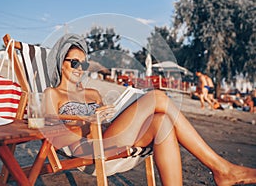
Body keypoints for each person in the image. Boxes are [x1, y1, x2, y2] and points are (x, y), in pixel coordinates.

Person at [45, 33, 256, 185]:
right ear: (60, 63)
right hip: (86, 147)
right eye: (74, 63)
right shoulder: (52, 94)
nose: (79, 69)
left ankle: (221, 170)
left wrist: (110, 114)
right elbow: (49, 130)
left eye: (83, 64)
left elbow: (108, 122)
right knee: (157, 96)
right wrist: (83, 122)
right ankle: (222, 169)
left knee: (161, 123)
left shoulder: (92, 94)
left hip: (108, 136)